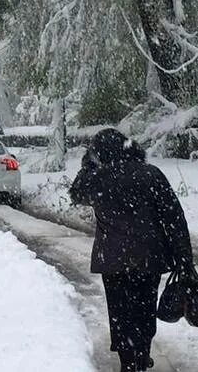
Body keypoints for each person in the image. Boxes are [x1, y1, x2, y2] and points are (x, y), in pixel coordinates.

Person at [70, 128, 193, 372]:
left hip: (112, 260)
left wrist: (88, 164)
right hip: (148, 258)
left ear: (98, 153)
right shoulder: (150, 175)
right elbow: (174, 219)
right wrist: (184, 260)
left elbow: (76, 193)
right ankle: (141, 355)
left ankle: (128, 361)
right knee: (144, 309)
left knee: (120, 312)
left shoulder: (96, 179)